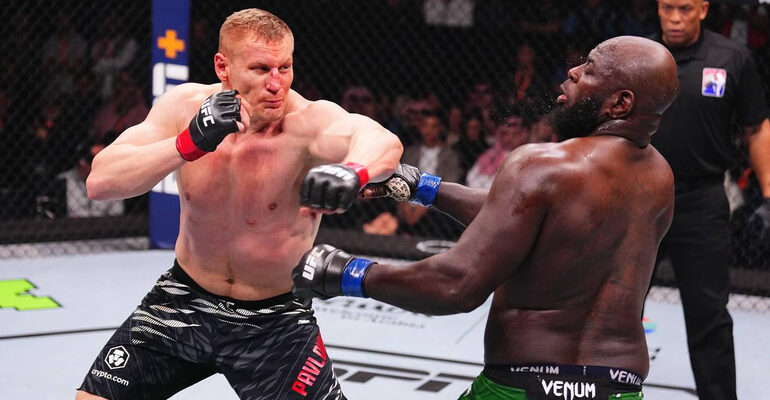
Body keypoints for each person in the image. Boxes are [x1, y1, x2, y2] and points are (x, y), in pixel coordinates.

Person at [292, 36, 679, 399]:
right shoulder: (659, 178)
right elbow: (524, 217)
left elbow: (455, 285)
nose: (573, 71)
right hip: (619, 385)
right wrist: (424, 187)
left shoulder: (541, 164)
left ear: (620, 103)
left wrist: (346, 272)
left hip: (525, 383)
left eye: (589, 69)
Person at [77, 8, 402, 400]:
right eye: (261, 69)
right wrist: (189, 142)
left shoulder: (307, 124)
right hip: (182, 300)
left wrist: (353, 171)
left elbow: (381, 141)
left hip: (274, 319)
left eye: (285, 67)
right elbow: (100, 182)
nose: (276, 84)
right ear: (223, 67)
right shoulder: (183, 106)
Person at [651, 1, 770, 399]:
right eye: (667, 8)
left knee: (709, 315)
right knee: (618, 306)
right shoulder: (641, 56)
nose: (675, 17)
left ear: (702, 9)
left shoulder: (731, 57)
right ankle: (610, 388)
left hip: (701, 200)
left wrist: (769, 193)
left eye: (685, 8)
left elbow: (756, 128)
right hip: (640, 200)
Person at [56, 139, 124, 218]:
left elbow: (117, 213)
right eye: (94, 159)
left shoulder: (112, 180)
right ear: (82, 161)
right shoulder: (64, 181)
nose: (101, 164)